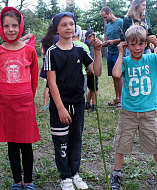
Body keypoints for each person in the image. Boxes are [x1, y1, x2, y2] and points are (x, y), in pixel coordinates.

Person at [110, 25, 157, 190]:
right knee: (121, 144)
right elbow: (116, 74)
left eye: (140, 44)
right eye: (132, 44)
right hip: (128, 112)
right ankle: (116, 175)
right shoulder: (126, 61)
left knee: (156, 145)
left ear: (145, 44)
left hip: (148, 112)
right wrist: (121, 53)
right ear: (127, 45)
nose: (137, 48)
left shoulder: (152, 59)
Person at [44, 12, 103, 190]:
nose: (69, 27)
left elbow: (96, 71)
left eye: (71, 24)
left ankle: (75, 173)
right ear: (57, 29)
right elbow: (51, 83)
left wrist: (98, 51)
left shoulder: (81, 50)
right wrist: (60, 108)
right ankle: (65, 176)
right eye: (64, 25)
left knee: (76, 139)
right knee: (61, 141)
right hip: (60, 105)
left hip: (78, 102)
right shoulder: (51, 52)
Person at [0, 7, 39, 190]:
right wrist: (1, 96)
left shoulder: (29, 51)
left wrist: (28, 97)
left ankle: (28, 181)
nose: (11, 29)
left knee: (26, 143)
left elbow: (34, 78)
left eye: (15, 25)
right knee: (12, 143)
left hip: (25, 103)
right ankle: (17, 181)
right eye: (6, 26)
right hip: (6, 104)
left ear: (21, 26)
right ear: (1, 28)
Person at [101, 6, 123, 110]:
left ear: (110, 12)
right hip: (110, 53)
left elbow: (125, 38)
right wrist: (101, 44)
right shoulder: (107, 27)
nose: (105, 19)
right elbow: (106, 40)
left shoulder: (120, 22)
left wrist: (114, 41)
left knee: (119, 76)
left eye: (105, 17)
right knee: (114, 77)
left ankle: (122, 100)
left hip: (119, 53)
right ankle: (117, 98)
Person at [39, 22, 59, 110]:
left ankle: (45, 104)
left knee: (48, 85)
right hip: (57, 64)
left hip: (47, 64)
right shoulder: (59, 38)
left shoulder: (44, 39)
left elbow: (43, 52)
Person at [72, 25, 90, 110]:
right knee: (81, 93)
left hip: (70, 74)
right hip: (82, 74)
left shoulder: (67, 45)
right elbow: (89, 63)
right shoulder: (84, 46)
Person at [83, 29, 98, 112]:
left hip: (87, 70)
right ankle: (94, 106)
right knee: (95, 89)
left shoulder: (84, 44)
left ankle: (87, 103)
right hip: (92, 69)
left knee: (91, 88)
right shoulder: (92, 45)